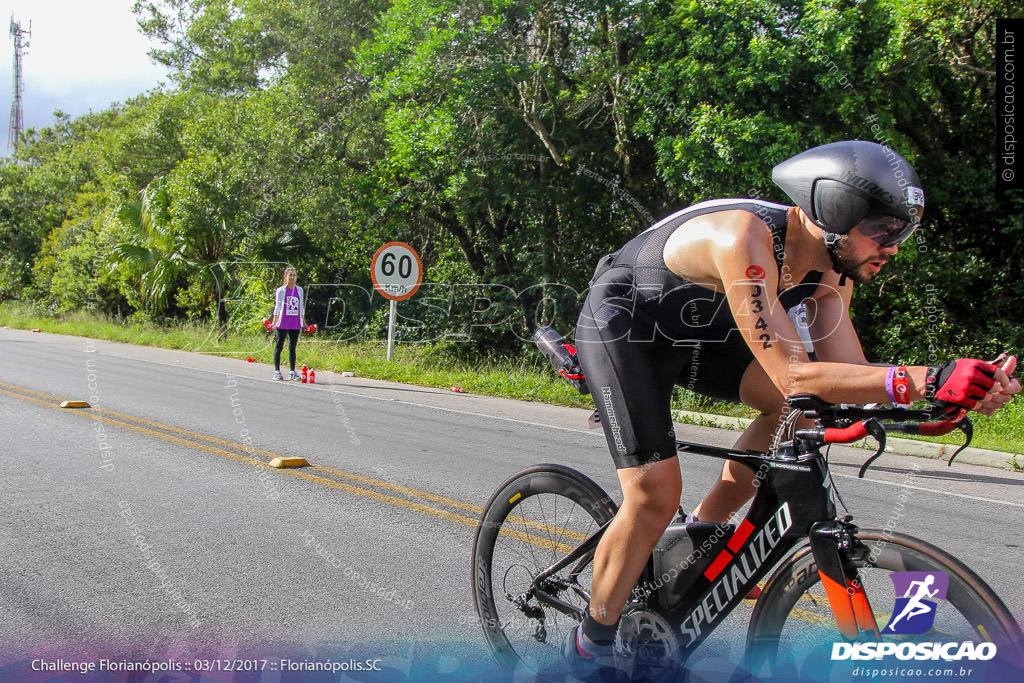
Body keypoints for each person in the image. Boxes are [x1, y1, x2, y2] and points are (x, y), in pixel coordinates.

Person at [565, 140, 1020, 667]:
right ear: (834, 214)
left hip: (702, 334)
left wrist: (944, 399)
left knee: (799, 409)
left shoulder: (831, 273)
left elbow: (850, 380)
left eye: (902, 232)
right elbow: (794, 372)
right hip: (626, 327)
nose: (894, 247)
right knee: (652, 494)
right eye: (884, 230)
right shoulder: (744, 238)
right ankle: (588, 648)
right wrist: (927, 379)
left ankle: (701, 531)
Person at [271, 267, 307, 380]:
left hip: (295, 322)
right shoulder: (281, 290)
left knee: (293, 347)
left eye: (294, 275)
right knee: (279, 346)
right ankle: (277, 371)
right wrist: (274, 322)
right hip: (283, 322)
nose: (292, 277)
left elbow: (301, 307)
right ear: (285, 277)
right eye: (290, 275)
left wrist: (304, 323)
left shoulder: (299, 290)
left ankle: (292, 371)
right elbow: (277, 307)